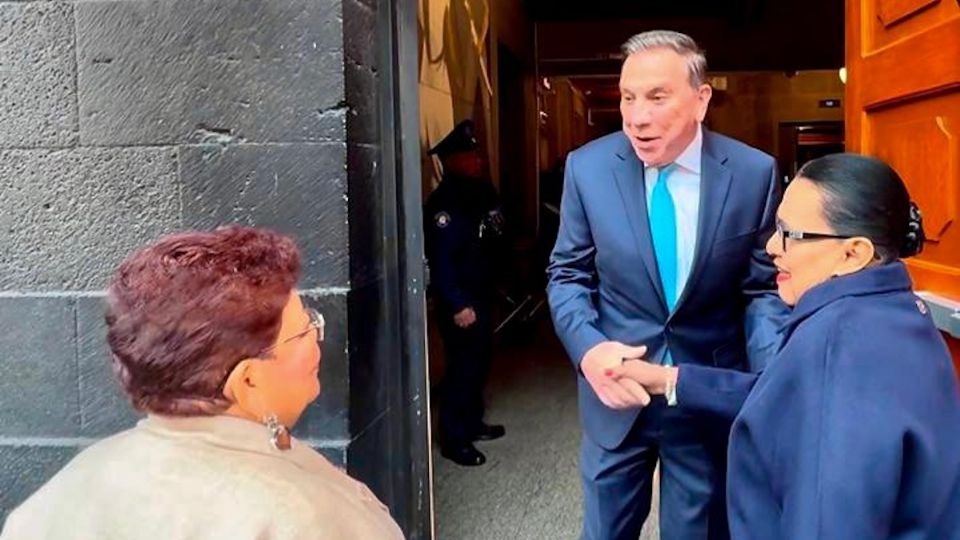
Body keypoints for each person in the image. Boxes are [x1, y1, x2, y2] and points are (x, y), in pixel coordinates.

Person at [610, 153, 960, 539]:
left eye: (789, 234)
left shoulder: (838, 348)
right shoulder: (893, 308)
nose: (772, 247)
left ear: (853, 252)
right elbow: (786, 397)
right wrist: (667, 380)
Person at [0, 226, 404, 540]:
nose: (318, 340)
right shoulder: (313, 520)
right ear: (247, 381)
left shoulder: (54, 499)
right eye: (305, 330)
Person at [546, 30, 789, 539]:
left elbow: (761, 290)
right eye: (628, 97)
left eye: (657, 97)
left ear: (701, 100)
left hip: (702, 394)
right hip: (615, 394)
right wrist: (589, 352)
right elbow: (567, 274)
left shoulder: (752, 173)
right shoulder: (588, 168)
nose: (637, 116)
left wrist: (767, 383)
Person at [424, 119, 506, 466]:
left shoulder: (479, 193)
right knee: (461, 369)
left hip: (482, 293)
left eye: (476, 154)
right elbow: (441, 260)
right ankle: (454, 438)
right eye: (468, 156)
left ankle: (472, 423)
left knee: (480, 363)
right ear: (452, 161)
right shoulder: (444, 205)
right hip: (462, 302)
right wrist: (457, 303)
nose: (477, 161)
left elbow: (492, 236)